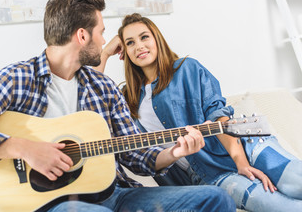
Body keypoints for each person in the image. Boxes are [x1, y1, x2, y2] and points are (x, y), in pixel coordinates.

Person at [0, 0, 236, 212]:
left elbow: (137, 155)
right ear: (82, 35)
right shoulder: (16, 79)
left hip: (113, 195)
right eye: (101, 32)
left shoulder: (103, 88)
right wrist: (25, 148)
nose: (105, 39)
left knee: (215, 198)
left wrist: (173, 152)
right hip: (50, 204)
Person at [95, 13, 302, 212]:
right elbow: (90, 96)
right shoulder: (126, 99)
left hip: (246, 150)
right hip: (208, 177)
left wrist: (241, 161)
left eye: (144, 37)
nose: (139, 46)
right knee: (283, 207)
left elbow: (217, 114)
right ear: (124, 52)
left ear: (157, 39)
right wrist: (104, 53)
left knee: (297, 181)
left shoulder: (187, 69)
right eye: (130, 42)